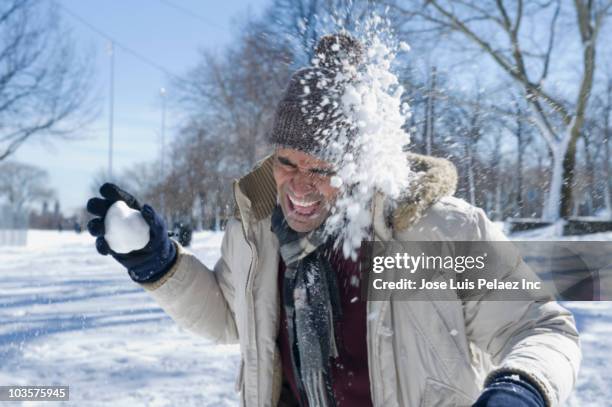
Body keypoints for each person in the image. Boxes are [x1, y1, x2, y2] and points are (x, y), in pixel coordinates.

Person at [86, 34, 580, 407]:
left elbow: (540, 328)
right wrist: (160, 263)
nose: (299, 186)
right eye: (287, 162)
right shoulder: (257, 232)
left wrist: (522, 389)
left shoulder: (431, 234)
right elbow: (234, 319)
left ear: (362, 169)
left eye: (323, 170)